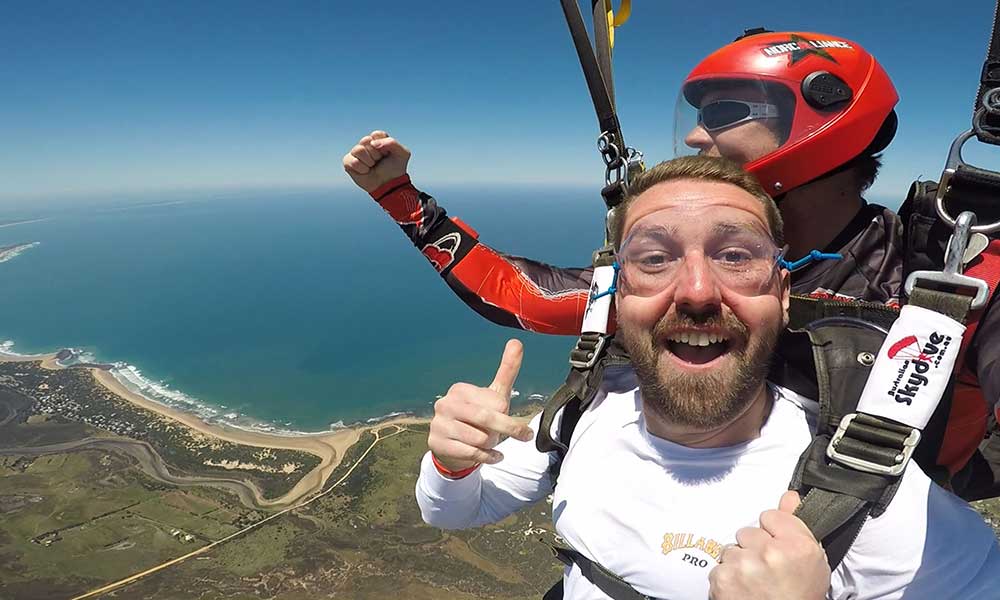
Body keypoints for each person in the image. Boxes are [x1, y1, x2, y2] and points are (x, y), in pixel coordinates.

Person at [344, 30, 999, 485]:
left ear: (821, 122)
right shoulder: (678, 268)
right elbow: (521, 296)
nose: (692, 136)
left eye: (726, 112)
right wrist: (399, 195)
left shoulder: (955, 275)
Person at [414, 156, 1000, 600]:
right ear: (618, 296)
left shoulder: (864, 503)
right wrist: (452, 463)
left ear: (783, 292)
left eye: (736, 256)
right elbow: (453, 511)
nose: (696, 291)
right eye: (654, 259)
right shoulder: (586, 411)